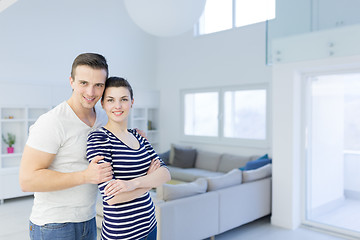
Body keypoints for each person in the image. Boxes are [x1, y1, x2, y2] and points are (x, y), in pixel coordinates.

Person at [19, 53, 118, 240]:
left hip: (88, 220)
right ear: (71, 82)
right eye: (83, 83)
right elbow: (27, 180)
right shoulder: (52, 122)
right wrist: (85, 176)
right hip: (53, 225)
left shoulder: (103, 118)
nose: (91, 92)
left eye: (98, 85)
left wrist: (134, 135)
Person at [87, 76, 171, 240]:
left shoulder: (138, 136)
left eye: (123, 99)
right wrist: (149, 180)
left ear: (132, 102)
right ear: (103, 104)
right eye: (111, 100)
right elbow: (112, 198)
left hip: (150, 226)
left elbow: (165, 173)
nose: (117, 106)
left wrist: (133, 183)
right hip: (122, 234)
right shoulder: (99, 139)